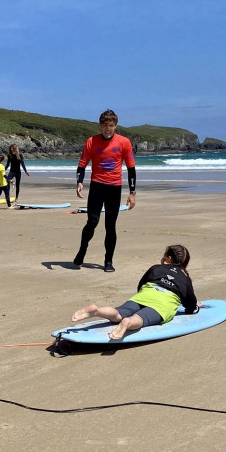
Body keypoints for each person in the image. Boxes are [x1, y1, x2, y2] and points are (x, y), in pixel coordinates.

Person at [71, 245, 199, 340]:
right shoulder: (185, 278)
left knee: (118, 313)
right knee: (141, 318)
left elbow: (141, 284)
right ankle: (128, 323)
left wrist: (141, 298)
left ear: (168, 258)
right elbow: (190, 304)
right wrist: (194, 307)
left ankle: (96, 311)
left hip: (144, 294)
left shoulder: (156, 268)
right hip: (163, 302)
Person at [73, 109, 136, 272]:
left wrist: (132, 192)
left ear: (115, 126)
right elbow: (82, 164)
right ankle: (82, 251)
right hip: (97, 186)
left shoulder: (124, 143)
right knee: (92, 222)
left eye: (110, 125)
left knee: (110, 225)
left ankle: (108, 261)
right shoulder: (91, 142)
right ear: (100, 126)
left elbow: (131, 169)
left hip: (114, 188)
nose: (107, 129)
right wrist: (79, 182)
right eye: (104, 125)